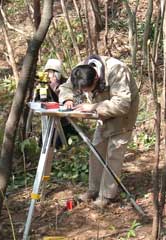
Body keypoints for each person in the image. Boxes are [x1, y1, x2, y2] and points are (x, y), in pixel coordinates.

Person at [59, 55, 139, 208]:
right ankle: (94, 190)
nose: (83, 92)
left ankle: (106, 196)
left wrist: (93, 107)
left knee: (114, 153)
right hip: (101, 113)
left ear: (96, 78)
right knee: (96, 149)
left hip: (123, 114)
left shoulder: (117, 70)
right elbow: (65, 87)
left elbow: (122, 104)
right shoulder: (80, 70)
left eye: (86, 90)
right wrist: (67, 99)